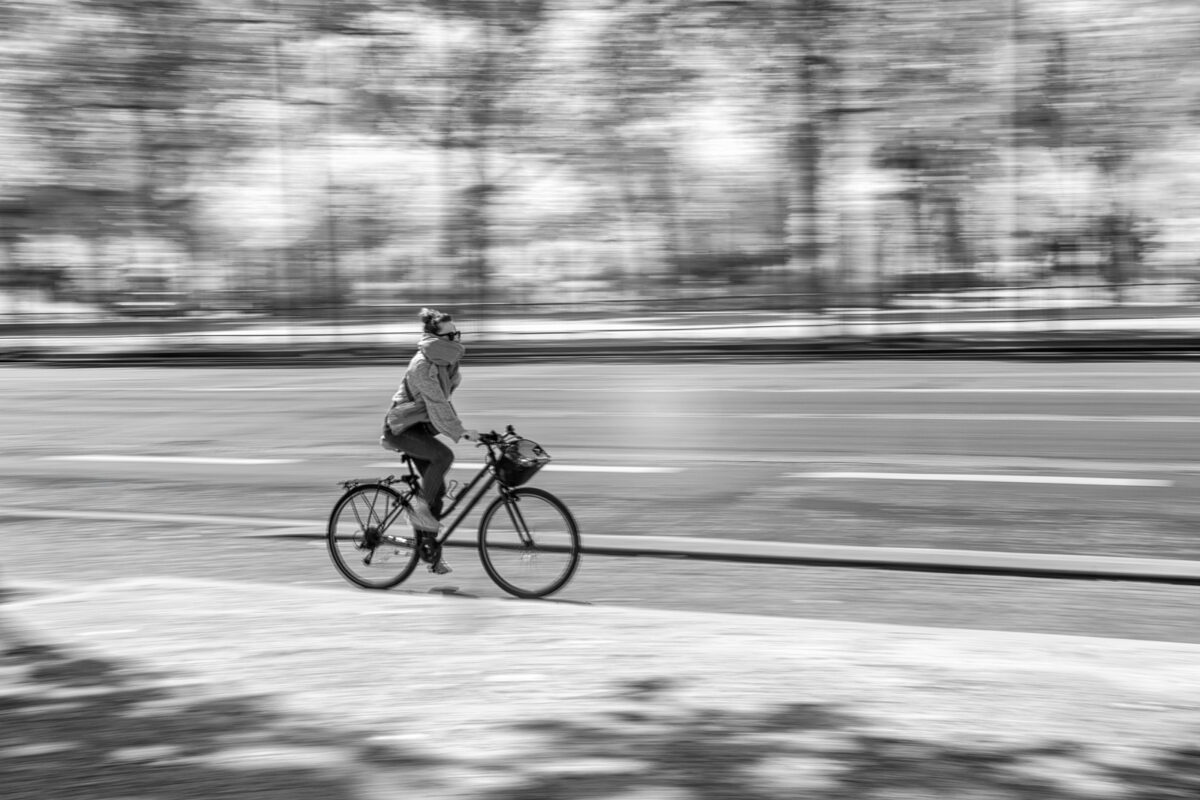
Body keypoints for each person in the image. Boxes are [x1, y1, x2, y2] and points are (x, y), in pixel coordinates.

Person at [380, 308, 478, 574]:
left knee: (436, 494)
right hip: (402, 429)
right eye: (452, 334)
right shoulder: (423, 364)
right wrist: (461, 431)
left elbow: (442, 402)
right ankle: (420, 513)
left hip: (420, 427)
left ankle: (429, 553)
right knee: (444, 457)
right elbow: (436, 402)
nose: (458, 338)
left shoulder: (446, 362)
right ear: (437, 338)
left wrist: (460, 428)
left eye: (458, 333)